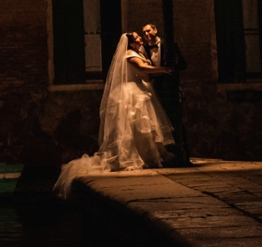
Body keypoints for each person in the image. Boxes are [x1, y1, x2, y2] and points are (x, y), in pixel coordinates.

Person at [55, 32, 177, 198]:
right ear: (131, 43)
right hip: (131, 93)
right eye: (137, 38)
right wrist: (161, 69)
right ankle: (130, 157)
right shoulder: (129, 54)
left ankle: (147, 155)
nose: (141, 38)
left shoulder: (139, 52)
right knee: (132, 125)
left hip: (140, 89)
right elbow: (141, 68)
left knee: (142, 127)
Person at [141, 22, 191, 166]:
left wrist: (176, 62)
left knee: (175, 121)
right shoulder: (143, 48)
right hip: (154, 89)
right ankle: (167, 155)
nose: (146, 34)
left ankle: (182, 156)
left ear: (155, 30)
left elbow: (183, 65)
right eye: (144, 32)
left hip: (170, 88)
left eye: (148, 31)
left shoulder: (169, 45)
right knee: (159, 123)